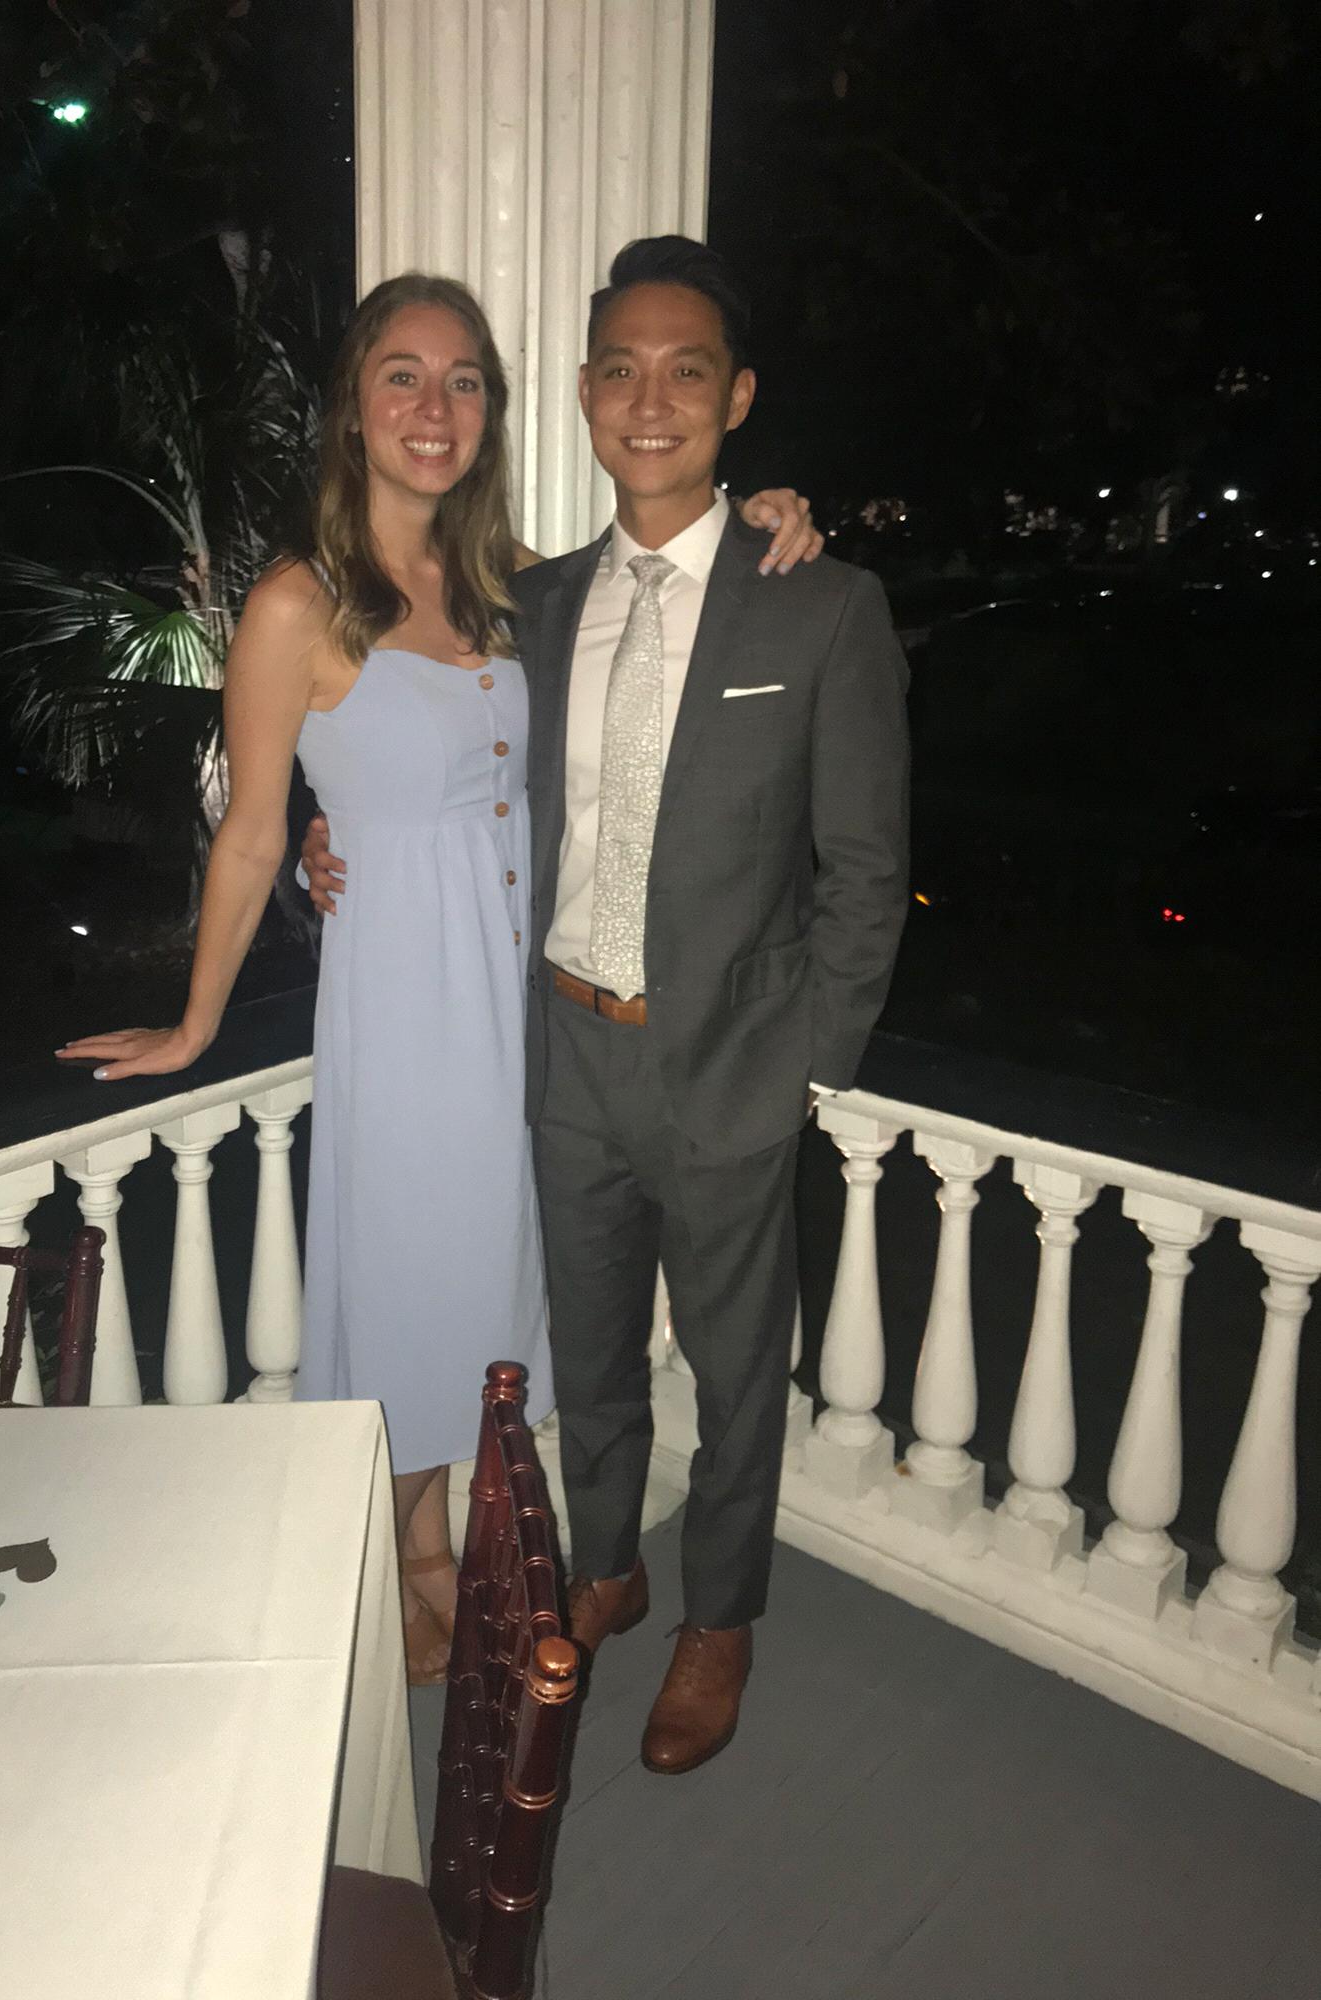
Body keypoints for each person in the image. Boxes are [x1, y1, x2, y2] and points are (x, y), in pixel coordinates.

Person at [58, 270, 822, 1686]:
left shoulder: (518, 584)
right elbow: (254, 832)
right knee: (411, 1272)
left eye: (463, 380)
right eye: (401, 376)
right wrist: (197, 1019)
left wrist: (766, 515)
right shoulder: (296, 604)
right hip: (407, 1007)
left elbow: (648, 630)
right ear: (353, 408)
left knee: (490, 1282)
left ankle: (446, 1533)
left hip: (527, 1011)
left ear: (494, 411)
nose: (433, 406)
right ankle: (411, 1545)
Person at [308, 236, 909, 1768]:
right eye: (622, 371)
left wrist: (811, 1067)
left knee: (735, 1372)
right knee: (585, 1355)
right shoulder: (531, 602)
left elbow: (865, 867)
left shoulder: (822, 606)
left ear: (737, 397)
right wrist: (330, 837)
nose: (652, 401)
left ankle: (721, 1620)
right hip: (562, 1050)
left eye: (686, 370)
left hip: (731, 1068)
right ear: (582, 395)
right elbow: (430, 752)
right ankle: (606, 1567)